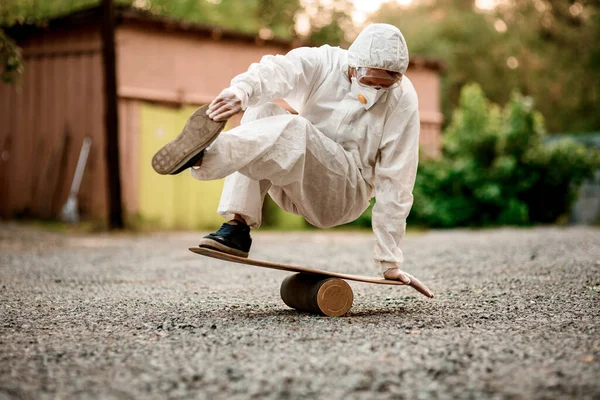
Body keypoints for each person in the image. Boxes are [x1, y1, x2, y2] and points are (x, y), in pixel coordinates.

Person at [152, 23, 427, 291]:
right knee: (261, 111)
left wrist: (388, 260)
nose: (375, 91)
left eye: (385, 85)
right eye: (369, 82)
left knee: (297, 129)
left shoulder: (402, 99)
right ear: (353, 66)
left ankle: (205, 156)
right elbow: (278, 71)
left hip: (344, 195)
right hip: (291, 183)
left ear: (398, 78)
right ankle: (237, 227)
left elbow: (397, 178)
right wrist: (242, 92)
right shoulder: (325, 63)